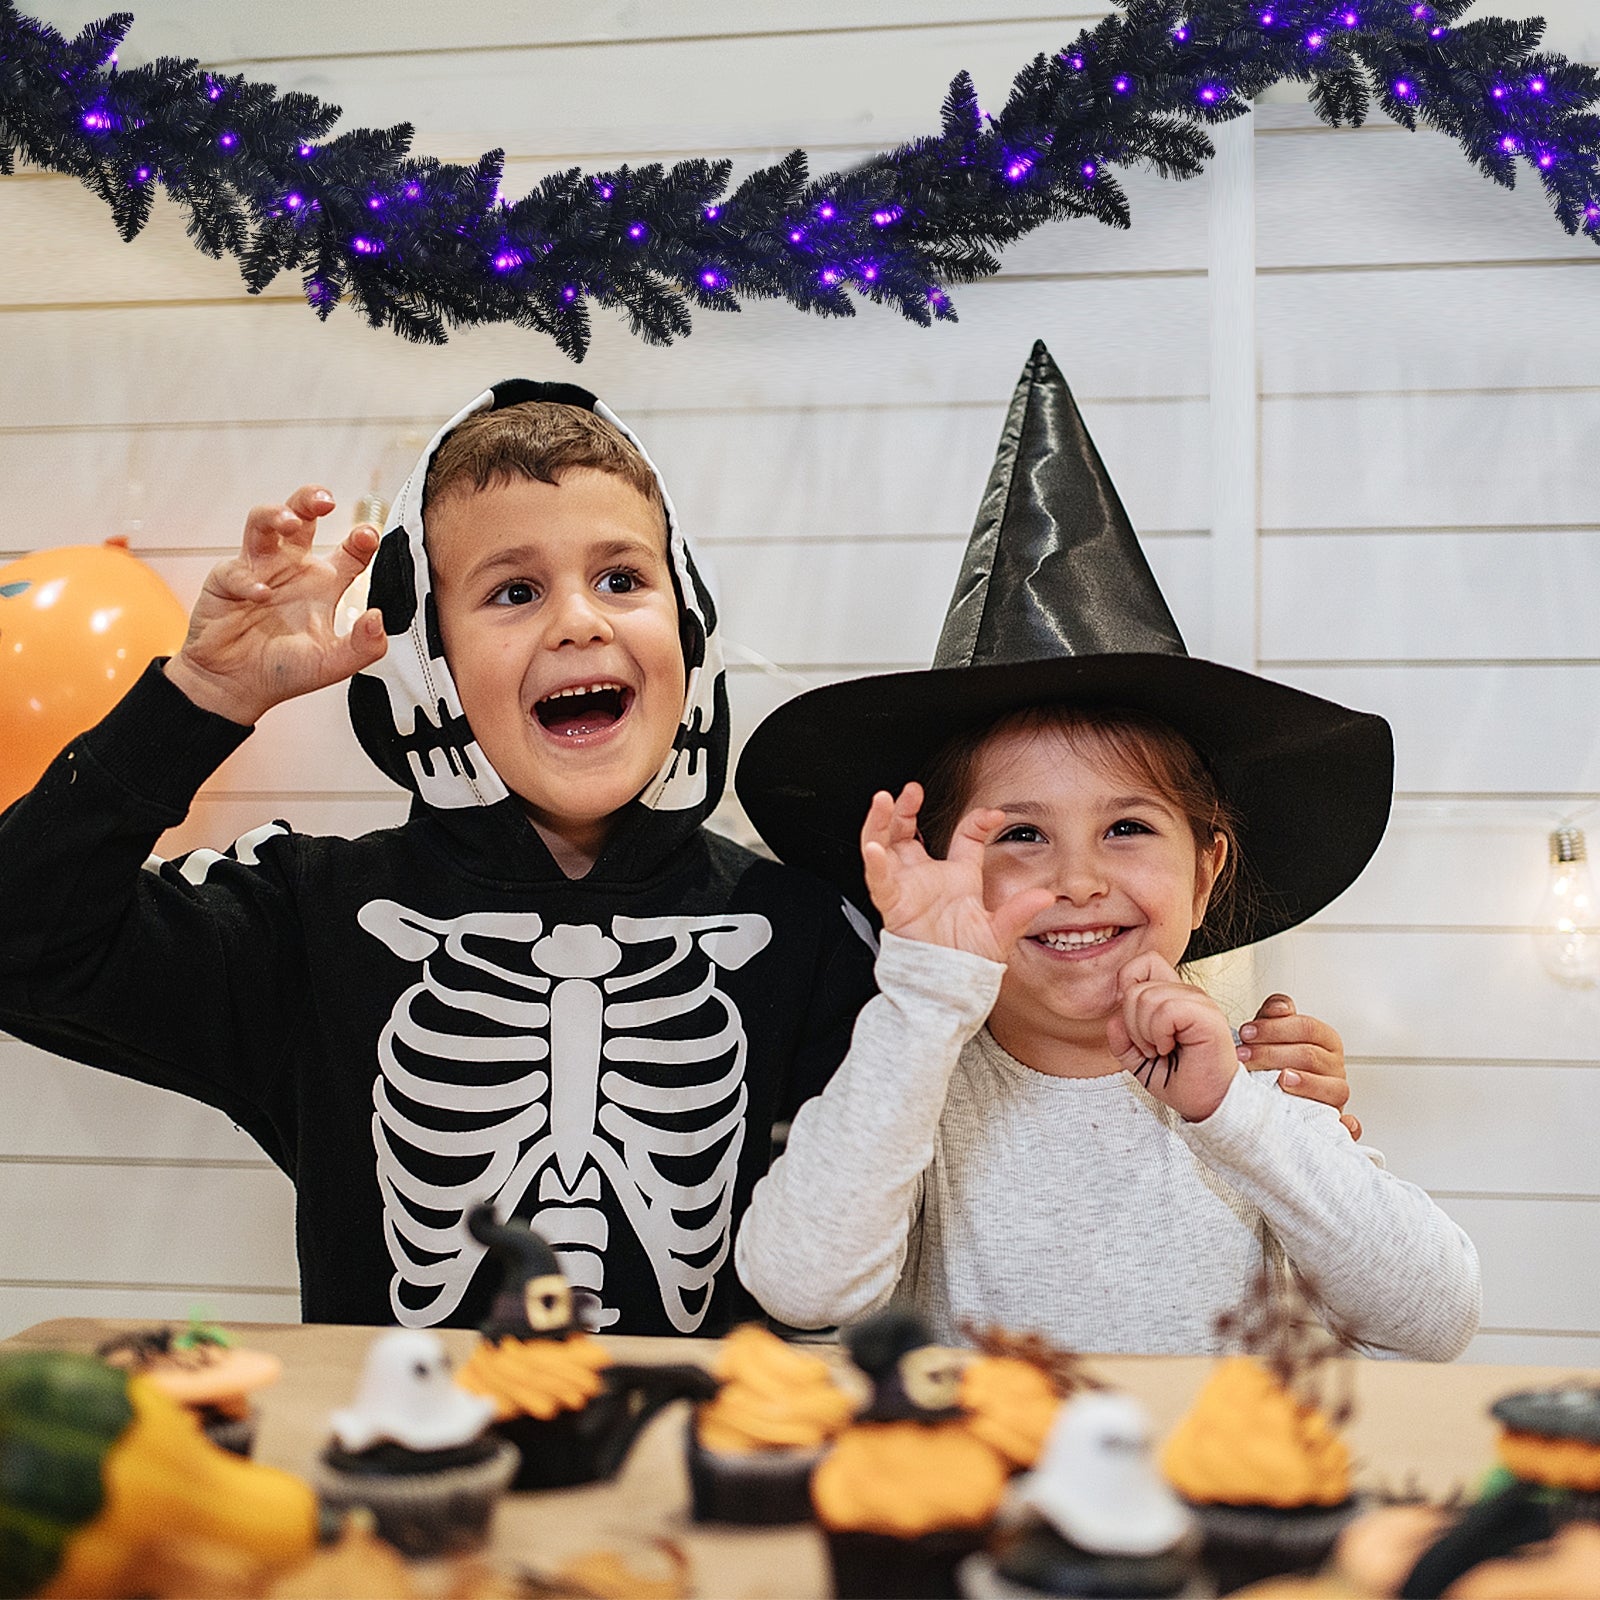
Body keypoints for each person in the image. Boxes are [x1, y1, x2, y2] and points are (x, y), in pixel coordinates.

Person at [0, 376, 1354, 1336]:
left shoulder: (822, 927)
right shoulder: (307, 921)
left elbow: (1020, 1070)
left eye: (621, 578)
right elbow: (24, 941)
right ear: (432, 659)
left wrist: (1253, 1092)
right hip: (410, 1523)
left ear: (685, 625)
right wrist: (198, 702)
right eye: (513, 591)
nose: (580, 622)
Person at [733, 343, 1480, 1359]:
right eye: (1020, 835)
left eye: (1126, 826)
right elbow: (798, 1284)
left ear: (1207, 866)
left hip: (1211, 1507)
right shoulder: (915, 1085)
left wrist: (1237, 1117)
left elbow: (1436, 1317)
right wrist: (923, 992)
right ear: (945, 867)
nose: (1077, 879)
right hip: (974, 1508)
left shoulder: (1249, 1089)